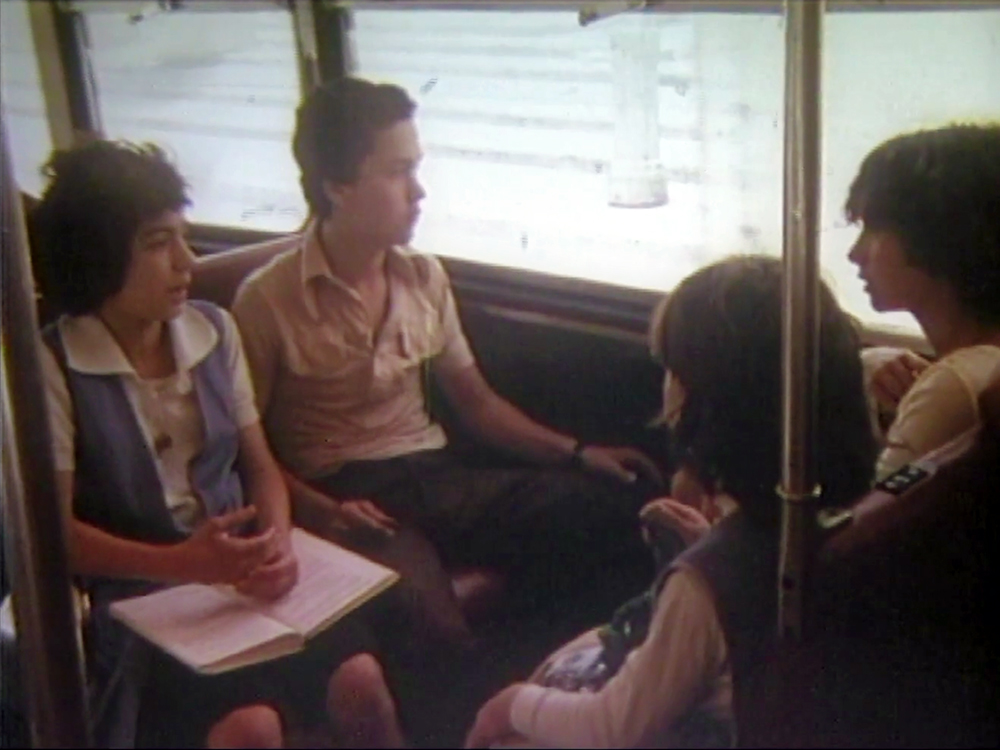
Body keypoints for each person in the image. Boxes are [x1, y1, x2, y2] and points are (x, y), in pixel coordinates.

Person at [231, 77, 663, 640]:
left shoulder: (422, 275)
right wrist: (323, 512)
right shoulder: (266, 300)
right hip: (352, 493)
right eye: (397, 172)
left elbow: (477, 404)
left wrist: (578, 453)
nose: (419, 192)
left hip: (437, 476)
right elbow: (245, 451)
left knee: (616, 511)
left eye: (417, 168)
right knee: (426, 619)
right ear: (337, 186)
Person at [30, 141, 405, 748]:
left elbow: (260, 469)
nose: (187, 261)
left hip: (241, 571)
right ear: (98, 259)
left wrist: (277, 543)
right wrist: (182, 564)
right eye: (158, 244)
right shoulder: (51, 365)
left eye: (183, 237)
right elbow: (55, 536)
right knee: (249, 729)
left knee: (361, 681)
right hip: (142, 597)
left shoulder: (212, 329)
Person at [466, 256, 877, 749]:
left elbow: (614, 725)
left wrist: (512, 704)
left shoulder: (703, 587)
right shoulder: (856, 508)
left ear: (707, 406)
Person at [846, 124, 1000, 480]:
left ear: (935, 233)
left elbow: (867, 530)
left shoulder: (954, 384)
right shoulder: (975, 368)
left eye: (874, 228)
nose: (855, 254)